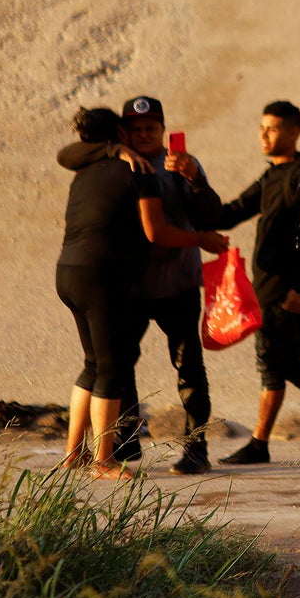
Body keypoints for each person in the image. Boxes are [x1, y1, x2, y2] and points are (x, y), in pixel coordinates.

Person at [183, 100, 300, 466]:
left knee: (274, 361)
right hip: (265, 288)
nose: (263, 134)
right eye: (261, 127)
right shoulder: (270, 177)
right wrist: (196, 183)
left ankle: (268, 440)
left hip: (288, 291)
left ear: (294, 132)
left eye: (273, 128)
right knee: (283, 362)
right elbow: (227, 215)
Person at [56, 107, 227, 479]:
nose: (145, 134)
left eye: (152, 127)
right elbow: (67, 154)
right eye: (137, 128)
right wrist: (115, 150)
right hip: (128, 287)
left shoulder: (178, 163)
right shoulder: (112, 160)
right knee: (116, 366)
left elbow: (211, 214)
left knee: (188, 369)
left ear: (164, 130)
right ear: (123, 132)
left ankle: (195, 449)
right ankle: (121, 444)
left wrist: (195, 178)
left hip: (177, 283)